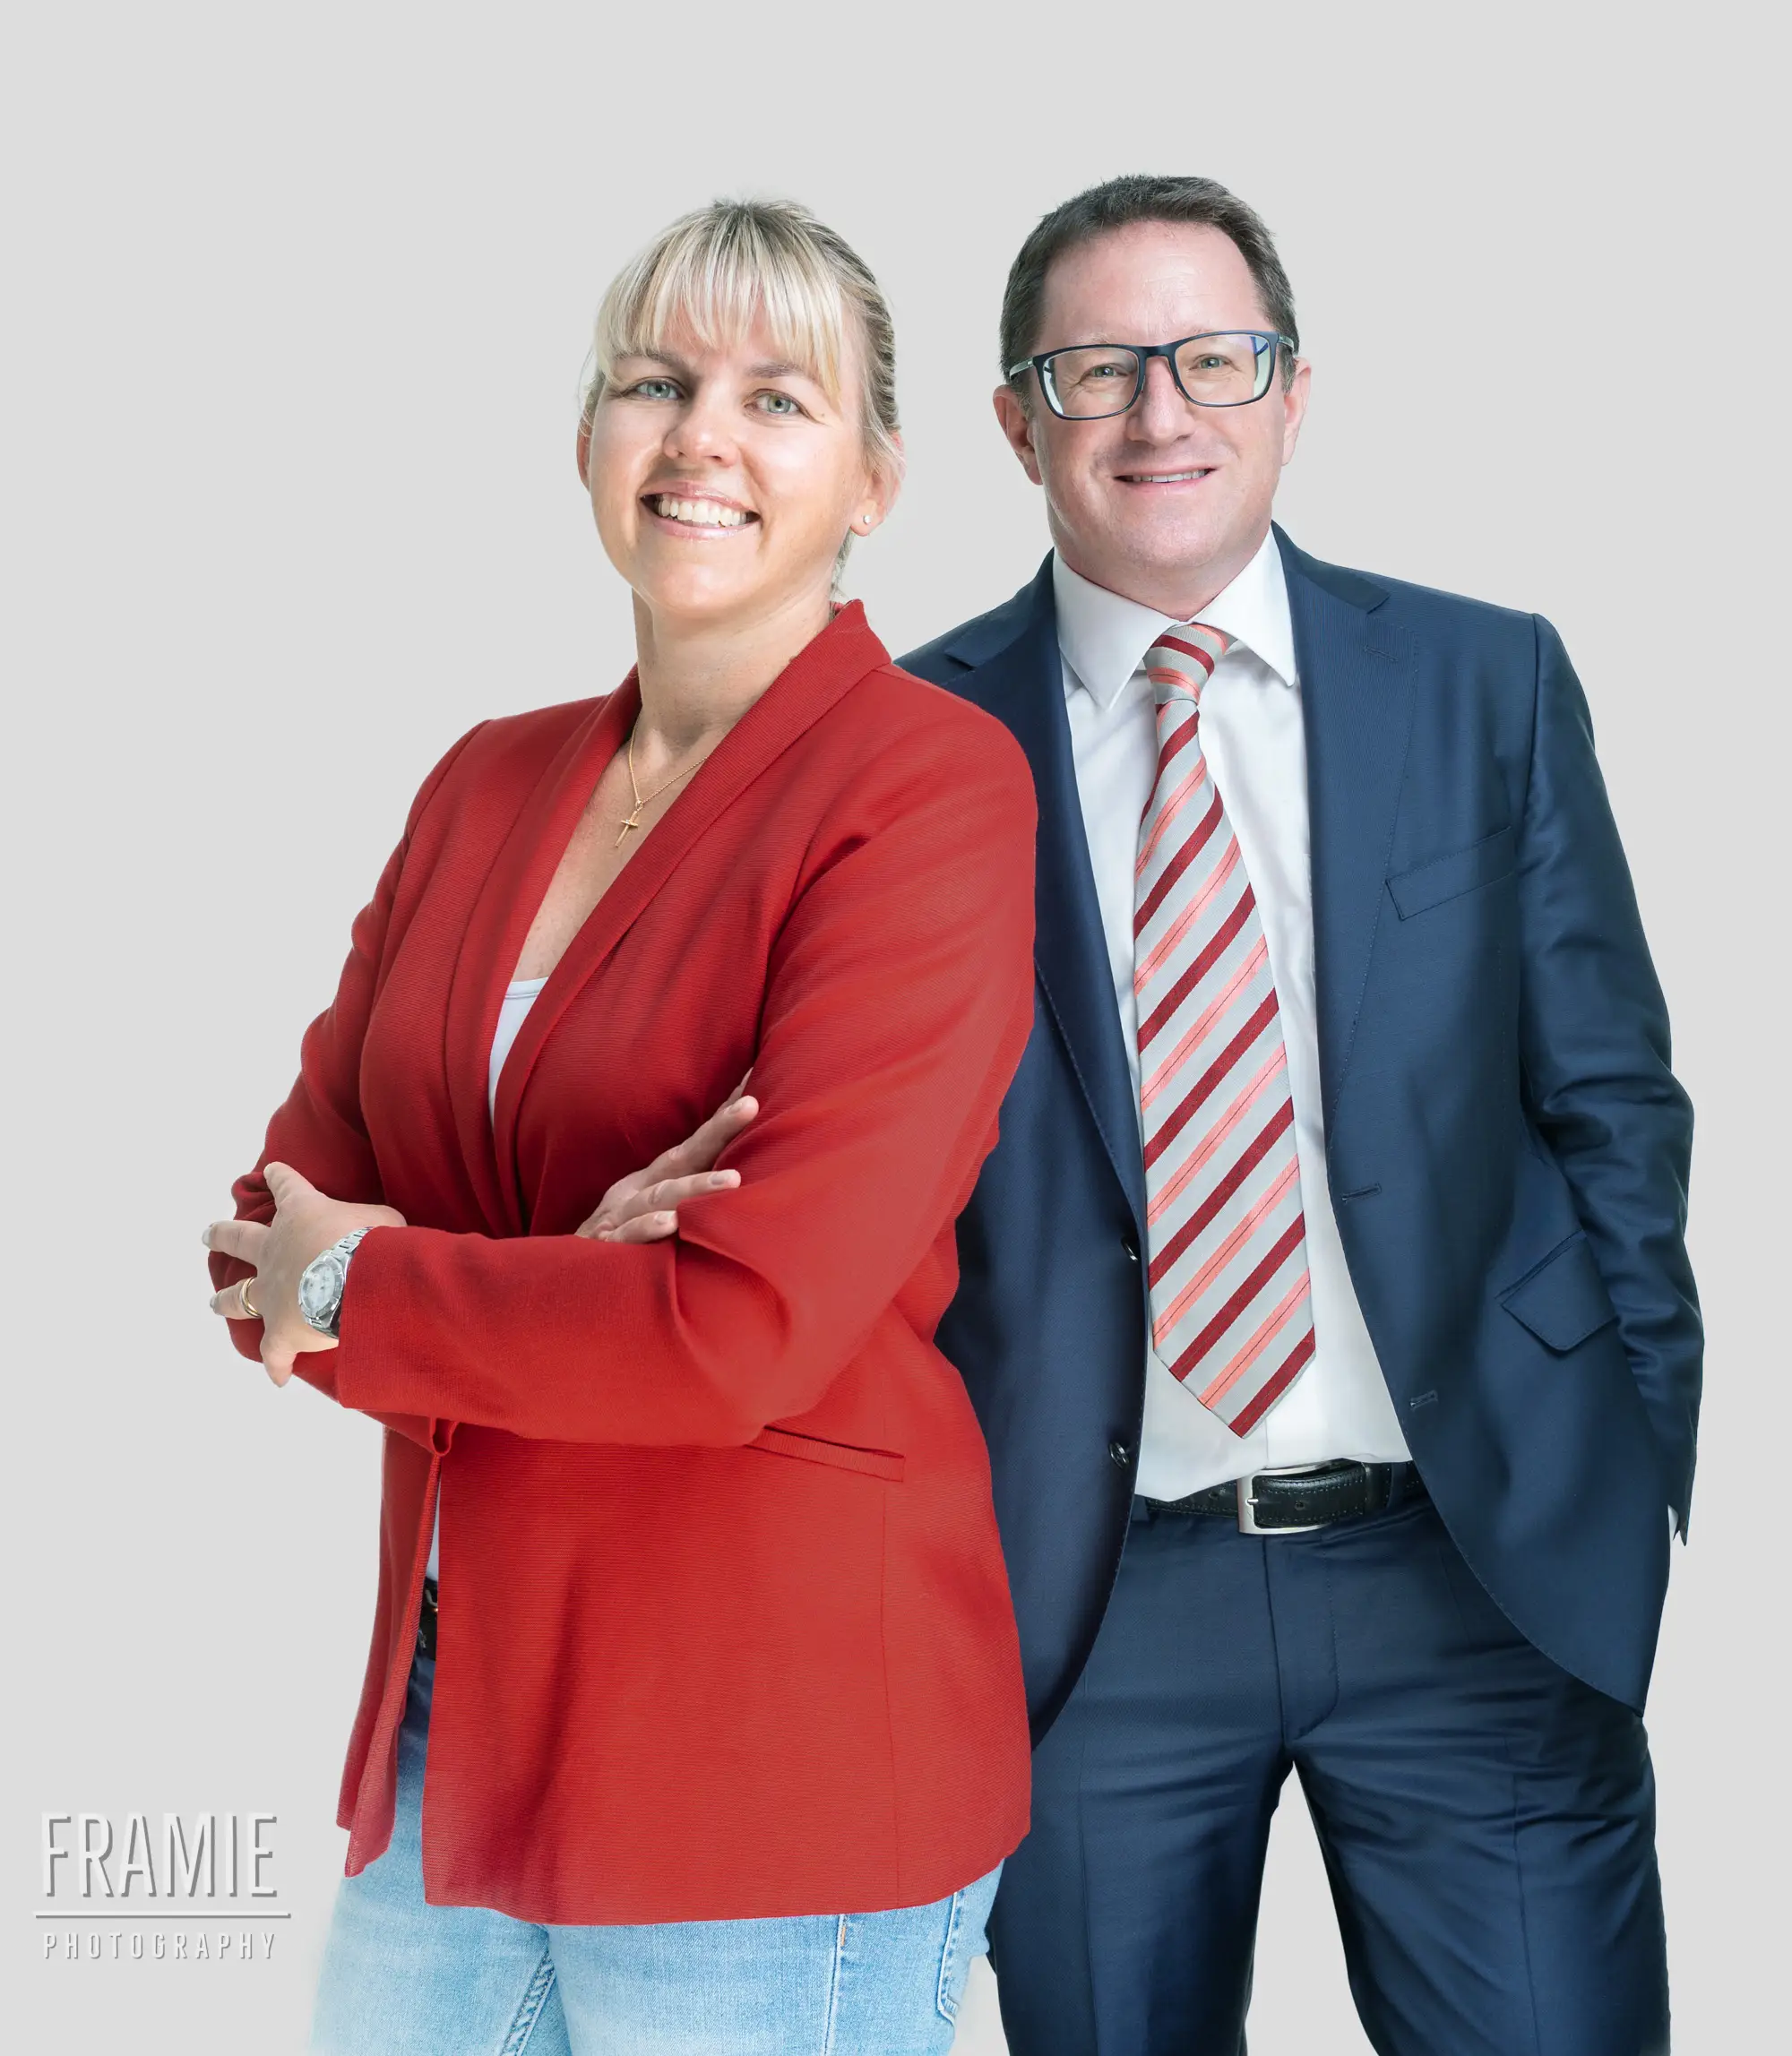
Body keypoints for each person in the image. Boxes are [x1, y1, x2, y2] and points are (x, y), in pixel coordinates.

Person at [202, 198, 1038, 2056]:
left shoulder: (926, 788)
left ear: (876, 478)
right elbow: (261, 1240)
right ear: (585, 436)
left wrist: (377, 1281)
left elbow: (736, 1326)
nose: (699, 437)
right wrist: (553, 1274)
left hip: (772, 1759)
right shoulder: (482, 780)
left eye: (777, 398)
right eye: (654, 383)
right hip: (455, 1730)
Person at [900, 175, 1700, 2056]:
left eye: (1215, 358)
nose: (1160, 411)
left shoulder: (1484, 680)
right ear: (1015, 420)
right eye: (1098, 367)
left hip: (1477, 1564)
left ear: (1293, 392)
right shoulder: (909, 744)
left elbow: (1609, 1097)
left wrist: (1629, 1457)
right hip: (1085, 1605)